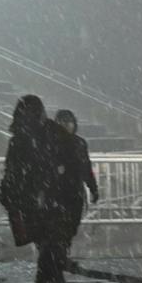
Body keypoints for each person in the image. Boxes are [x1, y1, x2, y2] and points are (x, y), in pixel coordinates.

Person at [0, 95, 74, 283]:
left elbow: (12, 169)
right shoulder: (51, 133)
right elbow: (67, 155)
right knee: (47, 235)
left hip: (32, 194)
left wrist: (8, 190)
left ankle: (46, 275)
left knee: (42, 236)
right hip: (48, 193)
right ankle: (52, 272)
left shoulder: (20, 138)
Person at [54, 110, 99, 265]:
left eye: (69, 122)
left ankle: (62, 252)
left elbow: (86, 166)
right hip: (57, 190)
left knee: (72, 223)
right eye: (63, 122)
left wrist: (93, 187)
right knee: (59, 224)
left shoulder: (79, 143)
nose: (66, 125)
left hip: (75, 190)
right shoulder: (51, 142)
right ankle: (59, 255)